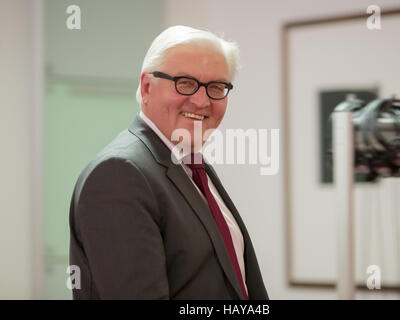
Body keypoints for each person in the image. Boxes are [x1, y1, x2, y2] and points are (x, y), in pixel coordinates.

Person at [69, 25, 268, 300]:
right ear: (147, 87)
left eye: (216, 87)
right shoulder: (120, 175)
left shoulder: (191, 165)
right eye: (185, 83)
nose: (201, 101)